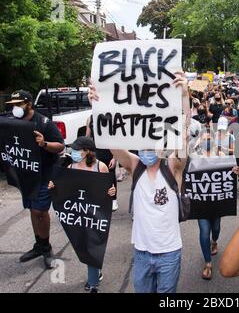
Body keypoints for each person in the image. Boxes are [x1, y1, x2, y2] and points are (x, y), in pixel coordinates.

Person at [88, 72, 189, 293]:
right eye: (141, 145)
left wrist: (184, 97)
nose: (146, 150)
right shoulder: (136, 166)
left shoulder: (173, 167)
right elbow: (110, 139)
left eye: (150, 145)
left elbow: (183, 135)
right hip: (141, 252)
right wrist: (97, 105)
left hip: (169, 253)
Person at [0, 90, 65, 268]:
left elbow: (60, 146)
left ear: (29, 104)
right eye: (13, 105)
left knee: (40, 211)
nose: (15, 108)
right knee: (31, 209)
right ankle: (39, 244)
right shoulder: (14, 123)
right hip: (26, 175)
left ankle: (46, 247)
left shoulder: (44, 123)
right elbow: (6, 142)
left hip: (45, 175)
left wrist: (44, 144)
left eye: (18, 104)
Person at [48, 137, 116, 293]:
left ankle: (93, 283)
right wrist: (53, 187)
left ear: (87, 151)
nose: (74, 152)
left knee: (93, 245)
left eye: (77, 150)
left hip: (95, 215)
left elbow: (107, 189)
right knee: (84, 246)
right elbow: (65, 190)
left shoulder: (101, 167)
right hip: (79, 214)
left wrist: (111, 192)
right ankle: (96, 271)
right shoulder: (71, 167)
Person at [191, 131, 239, 280]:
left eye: (209, 139)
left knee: (216, 228)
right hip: (201, 204)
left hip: (217, 202)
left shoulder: (222, 156)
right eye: (204, 139)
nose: (207, 141)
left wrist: (235, 171)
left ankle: (214, 242)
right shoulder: (195, 158)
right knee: (204, 231)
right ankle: (208, 264)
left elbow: (232, 172)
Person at [86, 100, 118, 212]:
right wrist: (86, 151)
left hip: (109, 151)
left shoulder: (111, 117)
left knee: (110, 176)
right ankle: (99, 199)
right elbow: (87, 137)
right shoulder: (90, 118)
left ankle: (113, 199)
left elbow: (116, 137)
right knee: (96, 176)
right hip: (96, 152)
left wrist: (115, 157)